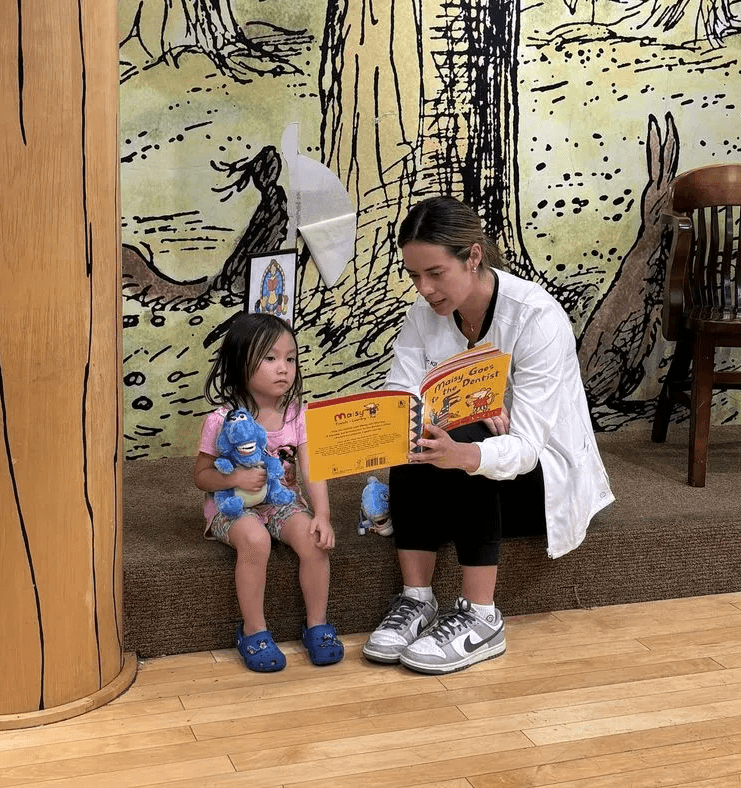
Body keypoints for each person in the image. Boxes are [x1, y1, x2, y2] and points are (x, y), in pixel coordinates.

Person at [363, 196, 615, 675]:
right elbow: (401, 394)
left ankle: (481, 615)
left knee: (465, 431)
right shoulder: (421, 316)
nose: (424, 289)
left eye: (435, 273)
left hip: (535, 481)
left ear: (473, 256)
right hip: (453, 484)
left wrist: (467, 443)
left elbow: (525, 446)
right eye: (414, 276)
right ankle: (417, 599)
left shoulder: (536, 317)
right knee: (413, 425)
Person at [194, 312, 344, 672]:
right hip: (232, 506)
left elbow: (313, 470)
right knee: (256, 540)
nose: (284, 369)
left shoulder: (298, 416)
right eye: (270, 358)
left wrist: (322, 515)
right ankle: (253, 630)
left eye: (290, 359)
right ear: (240, 363)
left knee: (312, 541)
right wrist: (233, 481)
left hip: (282, 502)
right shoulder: (222, 420)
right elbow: (201, 476)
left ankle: (317, 625)